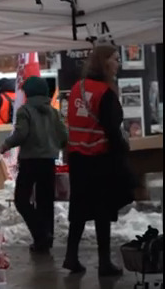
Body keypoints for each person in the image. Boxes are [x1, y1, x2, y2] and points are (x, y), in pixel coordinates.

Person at [64, 45, 135, 276]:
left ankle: (71, 256)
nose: (118, 64)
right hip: (99, 158)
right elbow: (112, 128)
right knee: (102, 210)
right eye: (115, 59)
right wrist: (123, 150)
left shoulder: (77, 87)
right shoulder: (105, 92)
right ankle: (104, 262)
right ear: (104, 63)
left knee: (79, 209)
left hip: (78, 158)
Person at [0, 76, 67, 253]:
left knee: (21, 200)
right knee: (45, 202)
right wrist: (56, 146)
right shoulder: (53, 112)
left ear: (28, 92)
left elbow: (21, 134)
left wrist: (5, 145)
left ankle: (40, 233)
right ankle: (45, 240)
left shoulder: (25, 111)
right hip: (48, 162)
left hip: (30, 161)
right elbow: (63, 135)